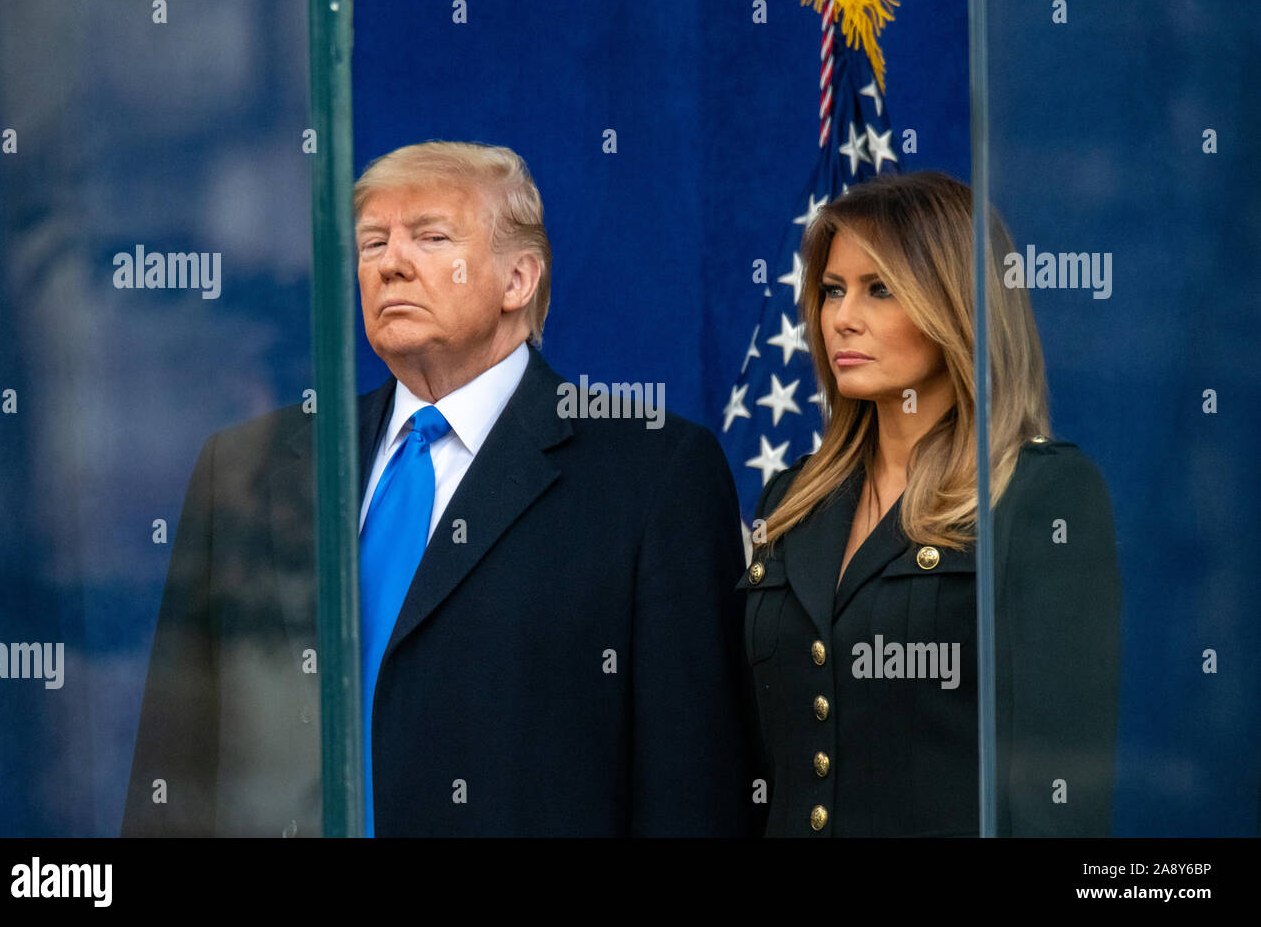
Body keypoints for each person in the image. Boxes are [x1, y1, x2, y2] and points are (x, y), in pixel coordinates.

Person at [122, 140, 763, 837]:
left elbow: (692, 792)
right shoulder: (246, 465)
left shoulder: (652, 473)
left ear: (518, 279)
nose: (390, 263)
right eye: (372, 243)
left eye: (430, 237)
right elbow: (177, 767)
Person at [740, 171, 1121, 837]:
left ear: (958, 305)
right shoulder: (793, 499)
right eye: (832, 291)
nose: (842, 317)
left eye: (879, 289)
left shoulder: (1038, 495)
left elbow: (1061, 785)